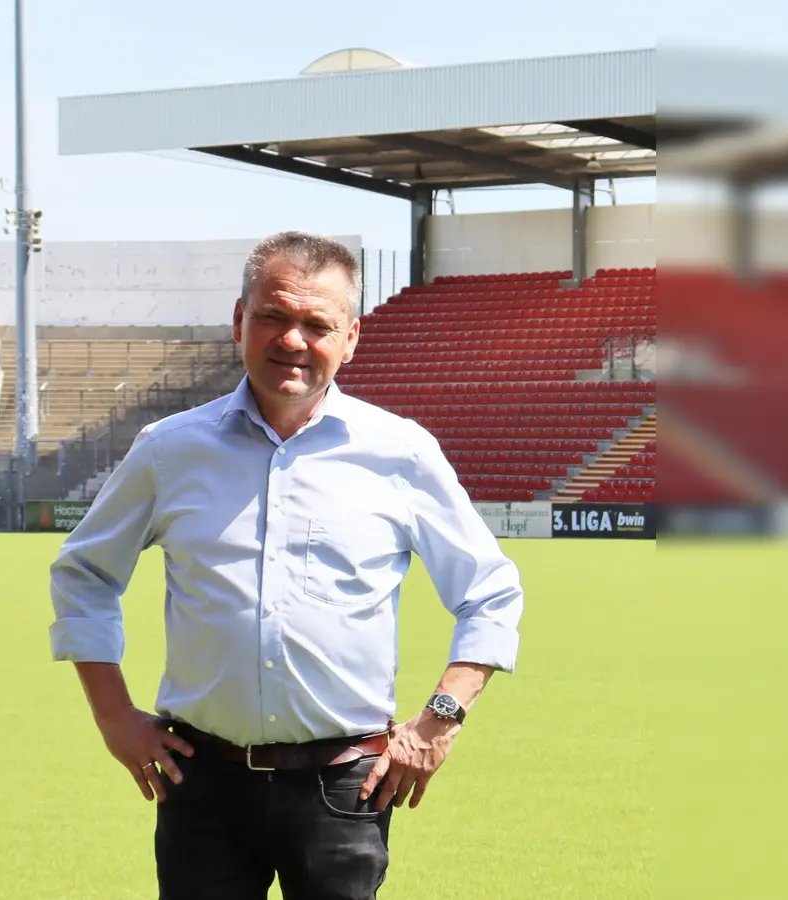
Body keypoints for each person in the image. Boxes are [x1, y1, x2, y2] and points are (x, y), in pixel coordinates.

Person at [50, 231, 524, 900]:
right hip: (202, 787)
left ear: (351, 337)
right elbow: (84, 575)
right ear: (241, 320)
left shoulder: (401, 453)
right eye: (274, 316)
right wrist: (113, 717)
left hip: (343, 789)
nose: (293, 340)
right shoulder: (169, 450)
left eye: (316, 323)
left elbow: (490, 590)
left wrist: (440, 716)